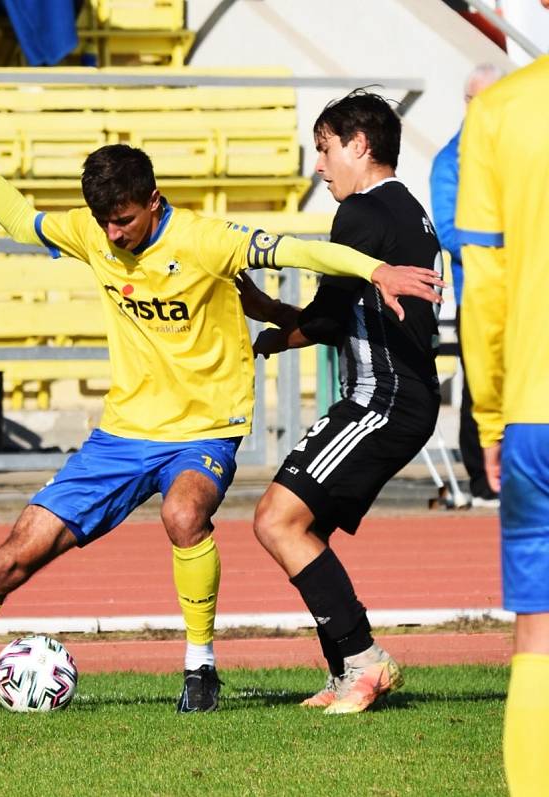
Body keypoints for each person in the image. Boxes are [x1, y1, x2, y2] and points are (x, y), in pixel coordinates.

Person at [0, 102, 442, 715]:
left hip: (205, 432)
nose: (114, 234)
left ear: (153, 200)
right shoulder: (93, 234)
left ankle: (201, 670)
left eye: (125, 221)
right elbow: (20, 221)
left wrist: (375, 271)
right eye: (104, 222)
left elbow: (301, 252)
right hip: (121, 435)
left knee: (187, 514)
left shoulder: (205, 240)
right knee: (10, 558)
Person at [239, 90, 442, 714]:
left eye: (325, 149)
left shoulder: (359, 214)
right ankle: (345, 671)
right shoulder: (409, 209)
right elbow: (340, 314)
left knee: (276, 520)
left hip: (383, 398)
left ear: (359, 146)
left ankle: (363, 661)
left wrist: (271, 329)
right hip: (397, 397)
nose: (319, 166)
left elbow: (327, 319)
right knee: (304, 528)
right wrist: (280, 322)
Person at [456, 38, 549, 796]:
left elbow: (482, 287)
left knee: (538, 633)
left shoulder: (498, 111)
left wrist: (489, 414)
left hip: (534, 413)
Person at [430, 63, 503, 508]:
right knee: (481, 385)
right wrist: (511, 240)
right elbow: (449, 233)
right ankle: (482, 482)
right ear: (469, 103)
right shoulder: (449, 161)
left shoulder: (519, 151)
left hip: (527, 292)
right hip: (480, 293)